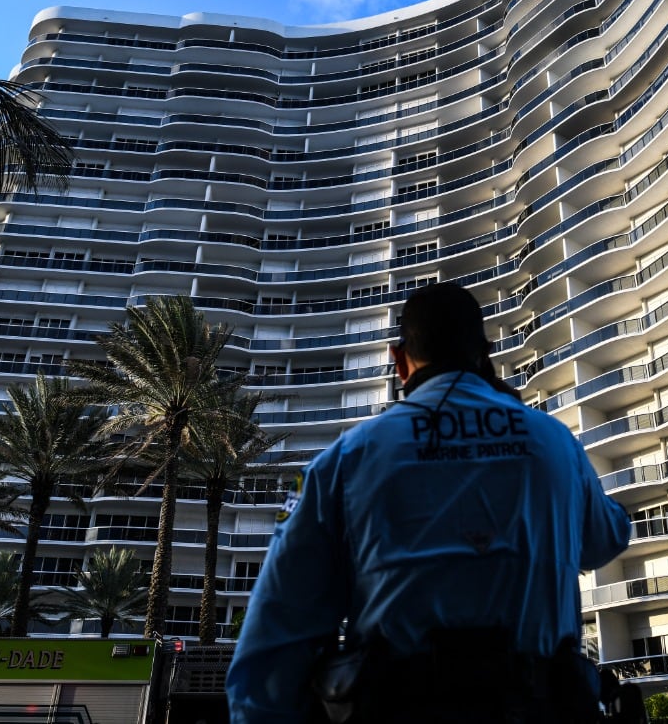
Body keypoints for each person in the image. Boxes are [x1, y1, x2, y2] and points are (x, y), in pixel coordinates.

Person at [225, 282, 631, 723]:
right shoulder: (554, 443)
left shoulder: (346, 459)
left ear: (400, 361)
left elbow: (275, 640)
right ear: (483, 354)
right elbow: (604, 539)